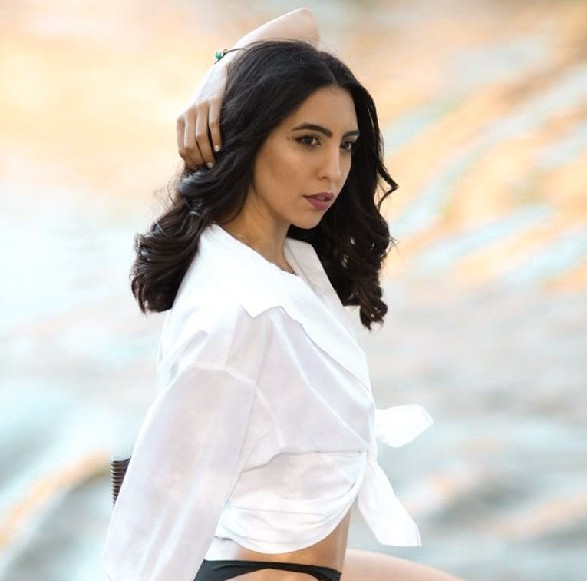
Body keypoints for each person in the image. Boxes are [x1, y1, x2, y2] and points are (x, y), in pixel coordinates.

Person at [102, 8, 464, 581]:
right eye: (307, 141)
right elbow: (159, 492)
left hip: (291, 562)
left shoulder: (283, 259)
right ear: (245, 138)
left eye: (345, 145)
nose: (333, 170)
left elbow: (305, 24)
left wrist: (220, 73)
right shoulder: (240, 311)